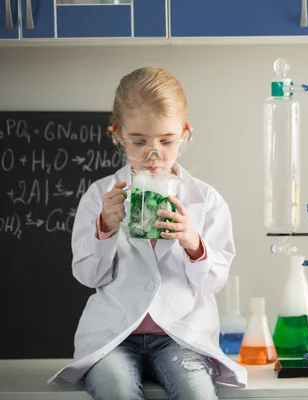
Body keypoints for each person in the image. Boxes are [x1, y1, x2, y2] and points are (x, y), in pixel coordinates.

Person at [47, 67, 247, 399]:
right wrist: (105, 228)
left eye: (166, 141)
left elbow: (212, 282)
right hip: (115, 338)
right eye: (139, 142)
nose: (153, 156)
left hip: (182, 337)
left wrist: (192, 243)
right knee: (114, 389)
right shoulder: (100, 196)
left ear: (185, 134)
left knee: (197, 393)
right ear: (118, 135)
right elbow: (86, 274)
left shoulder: (205, 201)